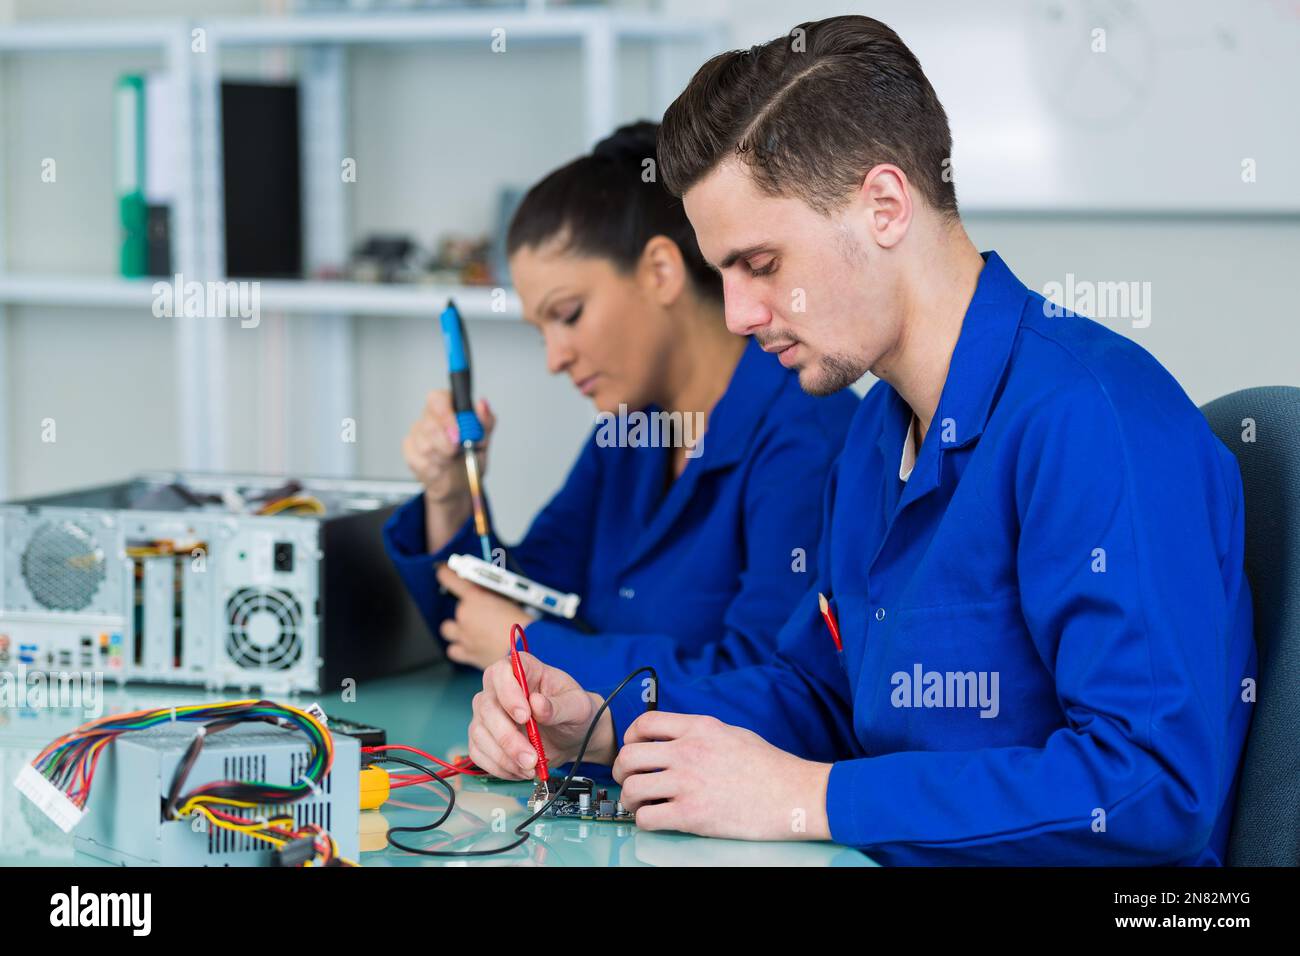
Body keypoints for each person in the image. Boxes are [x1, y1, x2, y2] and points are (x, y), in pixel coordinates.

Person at [465, 17, 1256, 865]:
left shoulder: (1092, 422)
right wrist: (602, 719)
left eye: (760, 265)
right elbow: (819, 695)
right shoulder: (878, 437)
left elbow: (1147, 787)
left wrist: (812, 799)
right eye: (723, 271)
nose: (736, 315)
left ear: (884, 205)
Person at [384, 121, 858, 693]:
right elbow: (489, 620)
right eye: (541, 332)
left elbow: (769, 682)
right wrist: (451, 494)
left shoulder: (806, 438)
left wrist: (530, 646)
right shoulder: (632, 434)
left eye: (569, 314)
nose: (554, 359)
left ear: (661, 272)